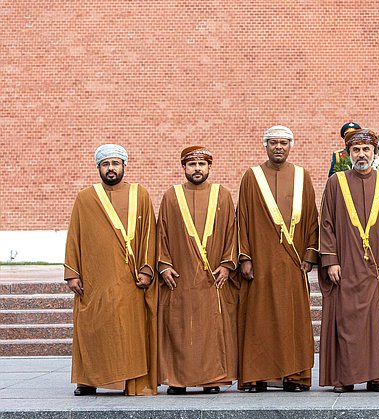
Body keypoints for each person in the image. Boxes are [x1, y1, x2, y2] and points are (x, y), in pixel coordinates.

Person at [64, 144, 158, 396]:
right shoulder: (85, 198)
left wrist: (147, 269)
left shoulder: (140, 194)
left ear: (125, 166)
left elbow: (150, 233)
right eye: (106, 164)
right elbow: (75, 235)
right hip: (95, 278)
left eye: (116, 163)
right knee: (92, 327)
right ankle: (88, 380)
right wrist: (72, 273)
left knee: (128, 331)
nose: (111, 169)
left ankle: (131, 380)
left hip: (131, 278)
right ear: (98, 168)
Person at [318, 129, 379, 393]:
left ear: (375, 153)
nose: (362, 154)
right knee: (347, 322)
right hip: (346, 267)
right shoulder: (336, 182)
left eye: (366, 150)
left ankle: (377, 377)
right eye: (356, 150)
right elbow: (327, 224)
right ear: (348, 154)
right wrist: (331, 260)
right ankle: (345, 378)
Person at [237, 126, 319, 392]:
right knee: (259, 319)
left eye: (283, 143)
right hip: (260, 261)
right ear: (265, 146)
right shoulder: (252, 177)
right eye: (273, 143)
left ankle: (294, 376)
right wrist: (245, 257)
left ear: (291, 146)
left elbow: (310, 218)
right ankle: (257, 376)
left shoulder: (301, 176)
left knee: (292, 320)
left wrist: (309, 254)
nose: (279, 148)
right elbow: (243, 219)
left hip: (293, 263)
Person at [157, 146, 238, 394]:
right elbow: (162, 234)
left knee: (211, 331)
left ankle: (212, 379)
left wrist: (227, 264)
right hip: (180, 277)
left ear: (209, 168)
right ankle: (177, 380)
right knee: (179, 326)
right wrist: (164, 265)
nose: (197, 169)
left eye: (201, 165)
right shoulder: (171, 196)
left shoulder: (222, 195)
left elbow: (232, 234)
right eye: (192, 165)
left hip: (214, 278)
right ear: (184, 168)